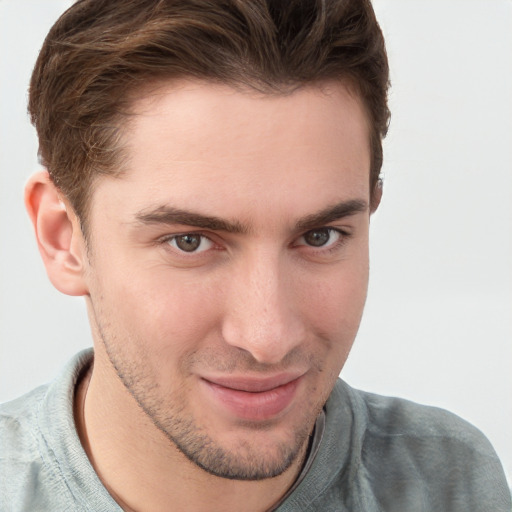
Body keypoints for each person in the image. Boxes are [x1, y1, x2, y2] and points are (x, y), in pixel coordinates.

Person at [0, 0, 510, 510]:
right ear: (63, 237)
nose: (268, 338)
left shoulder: (452, 483)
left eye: (320, 236)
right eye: (190, 242)